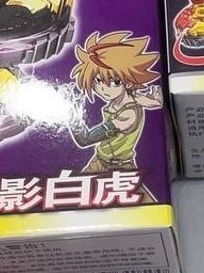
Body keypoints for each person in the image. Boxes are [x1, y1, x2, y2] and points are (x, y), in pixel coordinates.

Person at [69, 30, 164, 177]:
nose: (103, 88)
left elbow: (85, 139)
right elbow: (152, 101)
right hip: (98, 161)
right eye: (97, 80)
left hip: (120, 167)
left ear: (128, 82)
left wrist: (71, 112)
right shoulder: (128, 99)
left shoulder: (128, 114)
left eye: (115, 82)